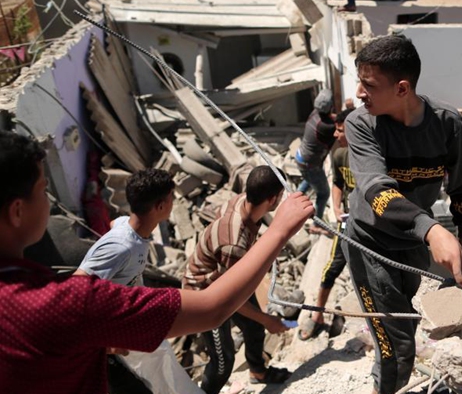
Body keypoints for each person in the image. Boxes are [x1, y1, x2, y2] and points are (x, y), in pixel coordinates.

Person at [0, 131, 313, 393]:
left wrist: (99, 334)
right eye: (44, 190)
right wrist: (280, 230)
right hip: (163, 317)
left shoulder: (55, 297)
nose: (48, 200)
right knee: (215, 361)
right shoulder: (67, 303)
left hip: (123, 332)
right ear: (17, 211)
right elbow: (213, 307)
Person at [344, 35, 462, 394]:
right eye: (360, 82)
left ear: (402, 88)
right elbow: (376, 191)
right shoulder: (361, 125)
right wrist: (433, 230)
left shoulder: (447, 123)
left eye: (369, 85)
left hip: (411, 245)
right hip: (368, 245)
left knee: (404, 325)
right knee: (396, 346)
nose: (359, 92)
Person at [75, 168, 202, 394]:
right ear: (160, 207)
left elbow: (115, 224)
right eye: (171, 198)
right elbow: (76, 289)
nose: (173, 203)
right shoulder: (121, 246)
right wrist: (105, 341)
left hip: (138, 323)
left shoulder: (126, 225)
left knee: (168, 374)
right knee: (160, 382)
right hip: (123, 332)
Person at [184, 166, 295, 393]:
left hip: (225, 275)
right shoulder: (233, 242)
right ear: (273, 199)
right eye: (281, 197)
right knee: (223, 362)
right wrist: (268, 320)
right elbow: (232, 299)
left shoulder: (241, 202)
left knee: (253, 327)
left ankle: (258, 371)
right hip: (204, 293)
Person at [299, 108, 355, 341]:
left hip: (371, 227)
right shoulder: (340, 154)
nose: (335, 135)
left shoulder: (373, 156)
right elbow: (337, 182)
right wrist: (337, 206)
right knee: (332, 268)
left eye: (340, 130)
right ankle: (318, 316)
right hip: (347, 224)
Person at [296, 89, 336, 230]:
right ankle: (316, 224)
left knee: (309, 180)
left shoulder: (314, 114)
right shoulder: (327, 127)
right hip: (310, 164)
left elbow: (332, 118)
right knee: (323, 193)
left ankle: (293, 198)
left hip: (301, 156)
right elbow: (337, 128)